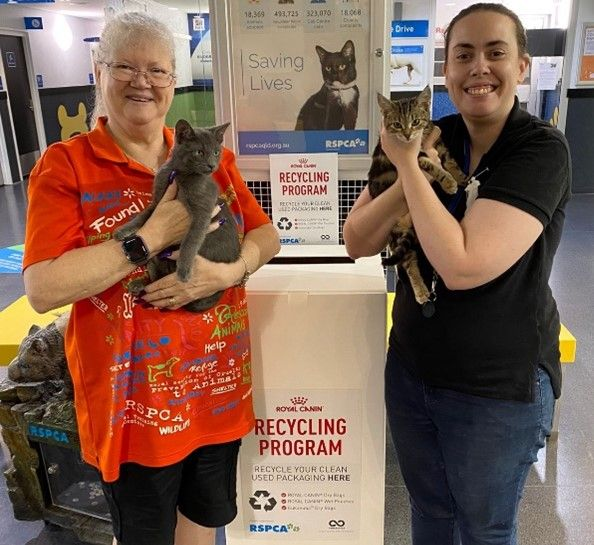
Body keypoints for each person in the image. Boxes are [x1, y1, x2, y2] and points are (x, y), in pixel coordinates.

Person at [23, 12, 280, 545]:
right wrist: (151, 236)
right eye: (125, 66)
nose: (142, 81)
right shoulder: (66, 165)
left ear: (172, 82)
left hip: (214, 391)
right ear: (99, 73)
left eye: (158, 71)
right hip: (135, 410)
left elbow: (266, 236)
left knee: (203, 529)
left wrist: (228, 271)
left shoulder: (214, 160)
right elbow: (43, 288)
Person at [344, 3, 571, 545]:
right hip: (413, 369)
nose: (478, 68)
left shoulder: (540, 150)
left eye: (496, 52)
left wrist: (406, 163)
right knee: (431, 515)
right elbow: (357, 239)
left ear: (522, 67)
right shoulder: (433, 133)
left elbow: (464, 265)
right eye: (462, 55)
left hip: (495, 388)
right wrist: (408, 166)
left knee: (483, 530)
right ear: (445, 71)